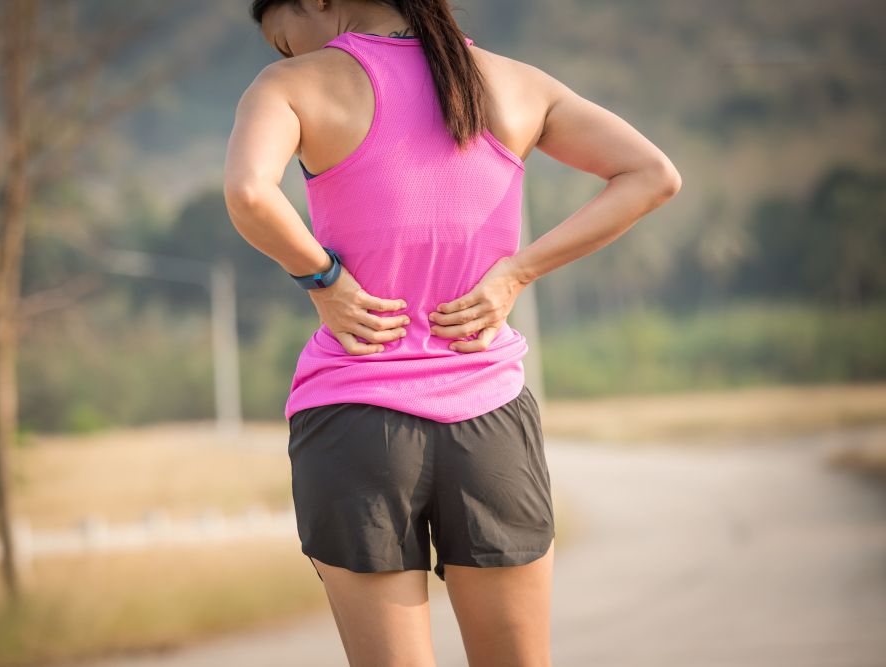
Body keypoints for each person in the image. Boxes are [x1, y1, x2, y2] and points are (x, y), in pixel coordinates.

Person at [224, 0, 681, 664]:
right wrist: (516, 274)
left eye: (284, 41)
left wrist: (324, 280)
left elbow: (248, 191)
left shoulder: (290, 86)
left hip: (355, 419)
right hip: (490, 417)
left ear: (316, 0)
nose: (291, 56)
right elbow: (652, 175)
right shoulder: (517, 83)